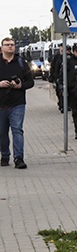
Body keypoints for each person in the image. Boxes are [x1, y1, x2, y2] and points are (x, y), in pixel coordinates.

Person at [0, 37, 34, 169]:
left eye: (12, 45)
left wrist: (20, 85)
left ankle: (19, 158)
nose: (10, 47)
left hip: (17, 103)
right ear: (2, 47)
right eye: (7, 45)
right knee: (2, 132)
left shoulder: (21, 63)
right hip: (1, 104)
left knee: (17, 130)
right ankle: (4, 155)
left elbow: (30, 82)